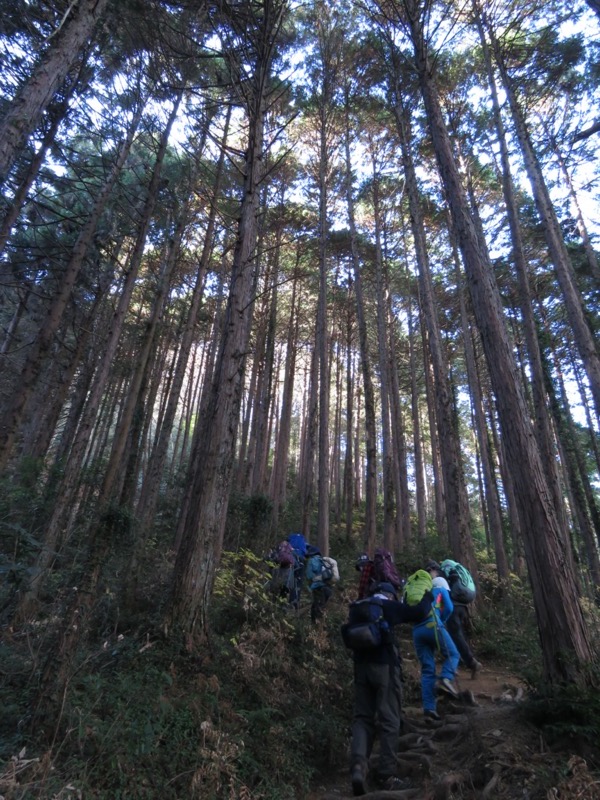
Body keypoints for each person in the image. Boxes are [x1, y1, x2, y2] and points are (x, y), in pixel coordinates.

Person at [347, 582, 432, 795]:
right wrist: (429, 596)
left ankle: (358, 766)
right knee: (389, 719)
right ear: (390, 595)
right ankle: (386, 775)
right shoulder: (389, 607)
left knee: (362, 718)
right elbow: (420, 612)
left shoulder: (358, 607)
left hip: (360, 669)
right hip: (385, 668)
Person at [412, 566, 460, 721]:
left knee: (427, 669)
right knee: (453, 653)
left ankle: (429, 709)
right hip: (433, 626)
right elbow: (449, 607)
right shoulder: (440, 587)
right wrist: (442, 620)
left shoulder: (422, 593)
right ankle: (444, 679)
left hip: (417, 631)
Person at [425, 560, 482, 678]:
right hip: (462, 608)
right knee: (457, 636)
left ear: (432, 569)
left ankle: (471, 663)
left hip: (453, 608)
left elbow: (441, 598)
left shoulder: (440, 577)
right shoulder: (449, 574)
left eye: (428, 571)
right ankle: (461, 663)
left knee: (455, 637)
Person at [305, 545, 334, 623]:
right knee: (320, 605)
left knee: (317, 607)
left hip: (317, 587)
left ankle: (316, 626)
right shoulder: (323, 561)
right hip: (327, 586)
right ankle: (319, 625)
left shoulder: (311, 561)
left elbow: (309, 575)